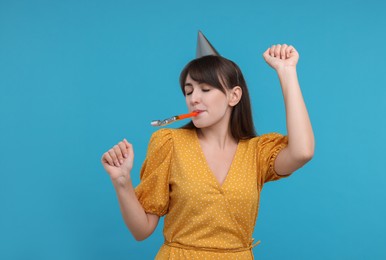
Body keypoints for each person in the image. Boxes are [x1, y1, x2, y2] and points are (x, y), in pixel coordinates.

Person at [101, 32, 314, 259]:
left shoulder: (257, 152)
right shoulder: (169, 143)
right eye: (188, 90)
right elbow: (141, 230)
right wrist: (122, 181)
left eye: (205, 88)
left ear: (234, 96)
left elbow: (302, 152)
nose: (193, 99)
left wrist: (287, 72)